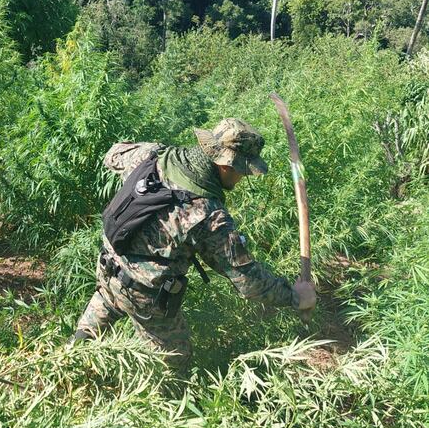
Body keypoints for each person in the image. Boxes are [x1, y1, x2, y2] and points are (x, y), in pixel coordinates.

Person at [69, 118, 317, 368]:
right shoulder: (207, 216)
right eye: (243, 170)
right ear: (225, 165)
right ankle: (168, 401)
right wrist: (296, 297)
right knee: (175, 359)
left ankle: (66, 362)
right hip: (144, 294)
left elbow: (113, 154)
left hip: (109, 265)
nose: (243, 177)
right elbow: (248, 282)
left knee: (102, 311)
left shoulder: (155, 154)